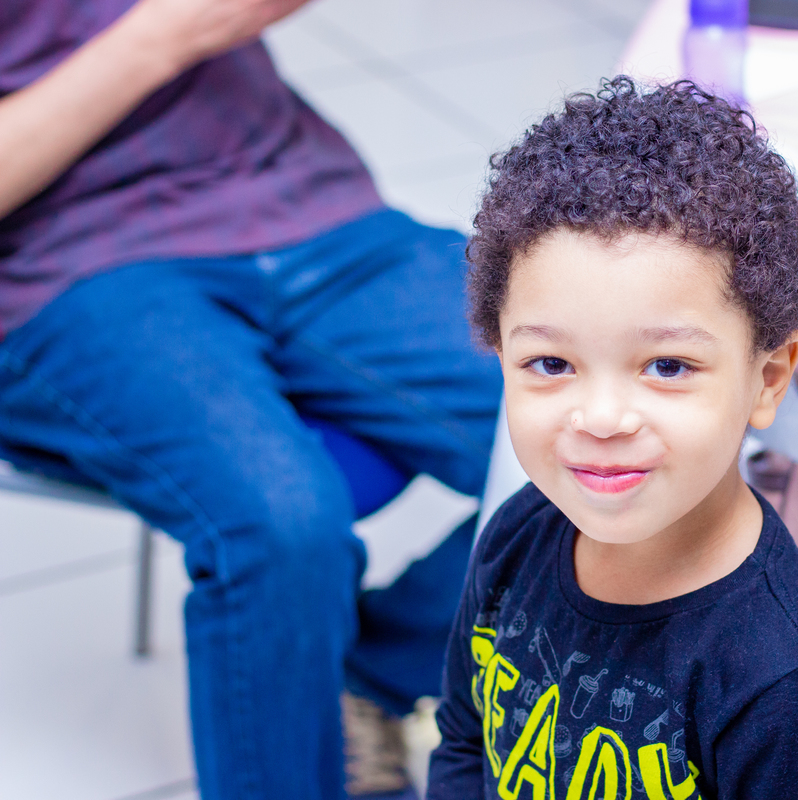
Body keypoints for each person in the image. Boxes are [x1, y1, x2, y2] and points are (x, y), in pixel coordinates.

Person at [0, 1, 501, 798]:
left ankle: (361, 670)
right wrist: (169, 32)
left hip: (300, 197)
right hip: (68, 260)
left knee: (627, 427)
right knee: (279, 523)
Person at [427, 77, 798, 798]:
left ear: (769, 378)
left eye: (667, 366)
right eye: (551, 364)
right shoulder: (518, 536)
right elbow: (468, 745)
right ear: (501, 359)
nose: (601, 417)